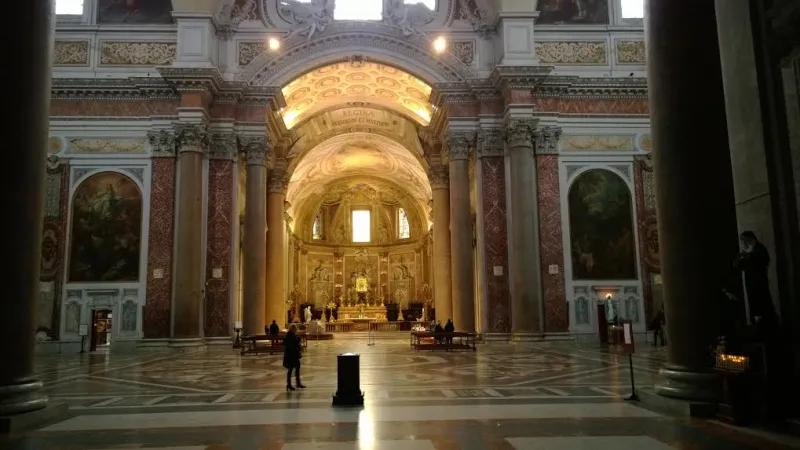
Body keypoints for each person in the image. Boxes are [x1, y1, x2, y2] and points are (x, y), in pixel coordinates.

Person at [734, 231, 776, 326]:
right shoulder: (747, 251)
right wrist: (741, 257)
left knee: (763, 303)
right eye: (742, 240)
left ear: (751, 238)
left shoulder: (760, 249)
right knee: (754, 304)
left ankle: (768, 326)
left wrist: (750, 256)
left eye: (745, 240)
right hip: (751, 283)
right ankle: (758, 326)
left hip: (760, 282)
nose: (744, 243)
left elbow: (764, 262)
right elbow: (738, 266)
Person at [283, 324, 305, 391]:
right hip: (290, 355)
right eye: (295, 329)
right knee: (290, 370)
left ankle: (298, 383)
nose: (295, 330)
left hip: (293, 354)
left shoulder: (290, 336)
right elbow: (294, 342)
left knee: (297, 368)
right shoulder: (289, 336)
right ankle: (289, 385)